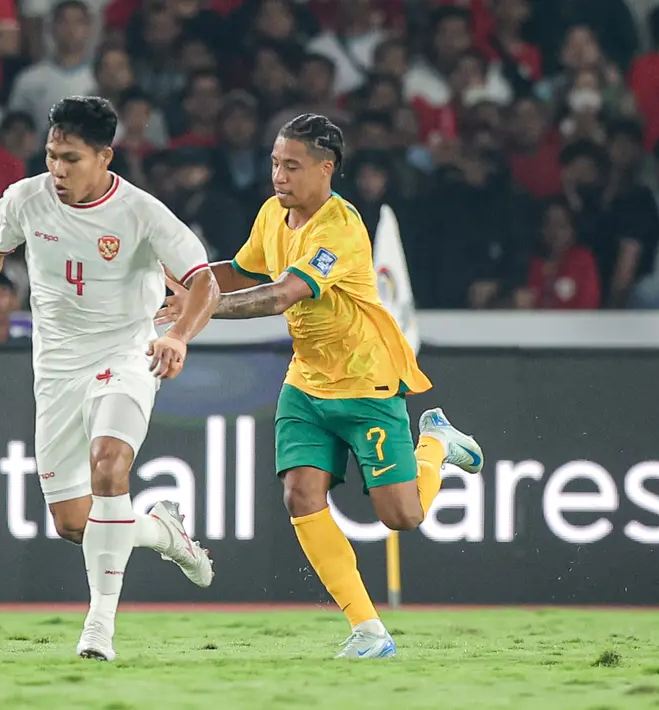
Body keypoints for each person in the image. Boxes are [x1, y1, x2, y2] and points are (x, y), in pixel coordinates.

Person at [155, 114, 484, 660]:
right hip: (306, 381)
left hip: (365, 382)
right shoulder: (273, 215)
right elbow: (239, 272)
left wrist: (200, 311)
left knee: (401, 516)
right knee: (300, 493)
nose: (278, 176)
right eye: (275, 164)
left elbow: (281, 295)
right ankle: (369, 631)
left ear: (326, 168)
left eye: (292, 166)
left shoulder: (340, 227)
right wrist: (186, 279)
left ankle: (437, 446)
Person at [0, 96, 221, 661]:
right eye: (52, 155)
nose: (58, 170)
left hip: (127, 353)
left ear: (105, 156)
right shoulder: (24, 199)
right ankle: (160, 530)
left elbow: (204, 283)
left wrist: (178, 334)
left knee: (110, 465)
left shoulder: (142, 213)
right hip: (57, 368)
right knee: (75, 524)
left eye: (72, 159)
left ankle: (99, 629)